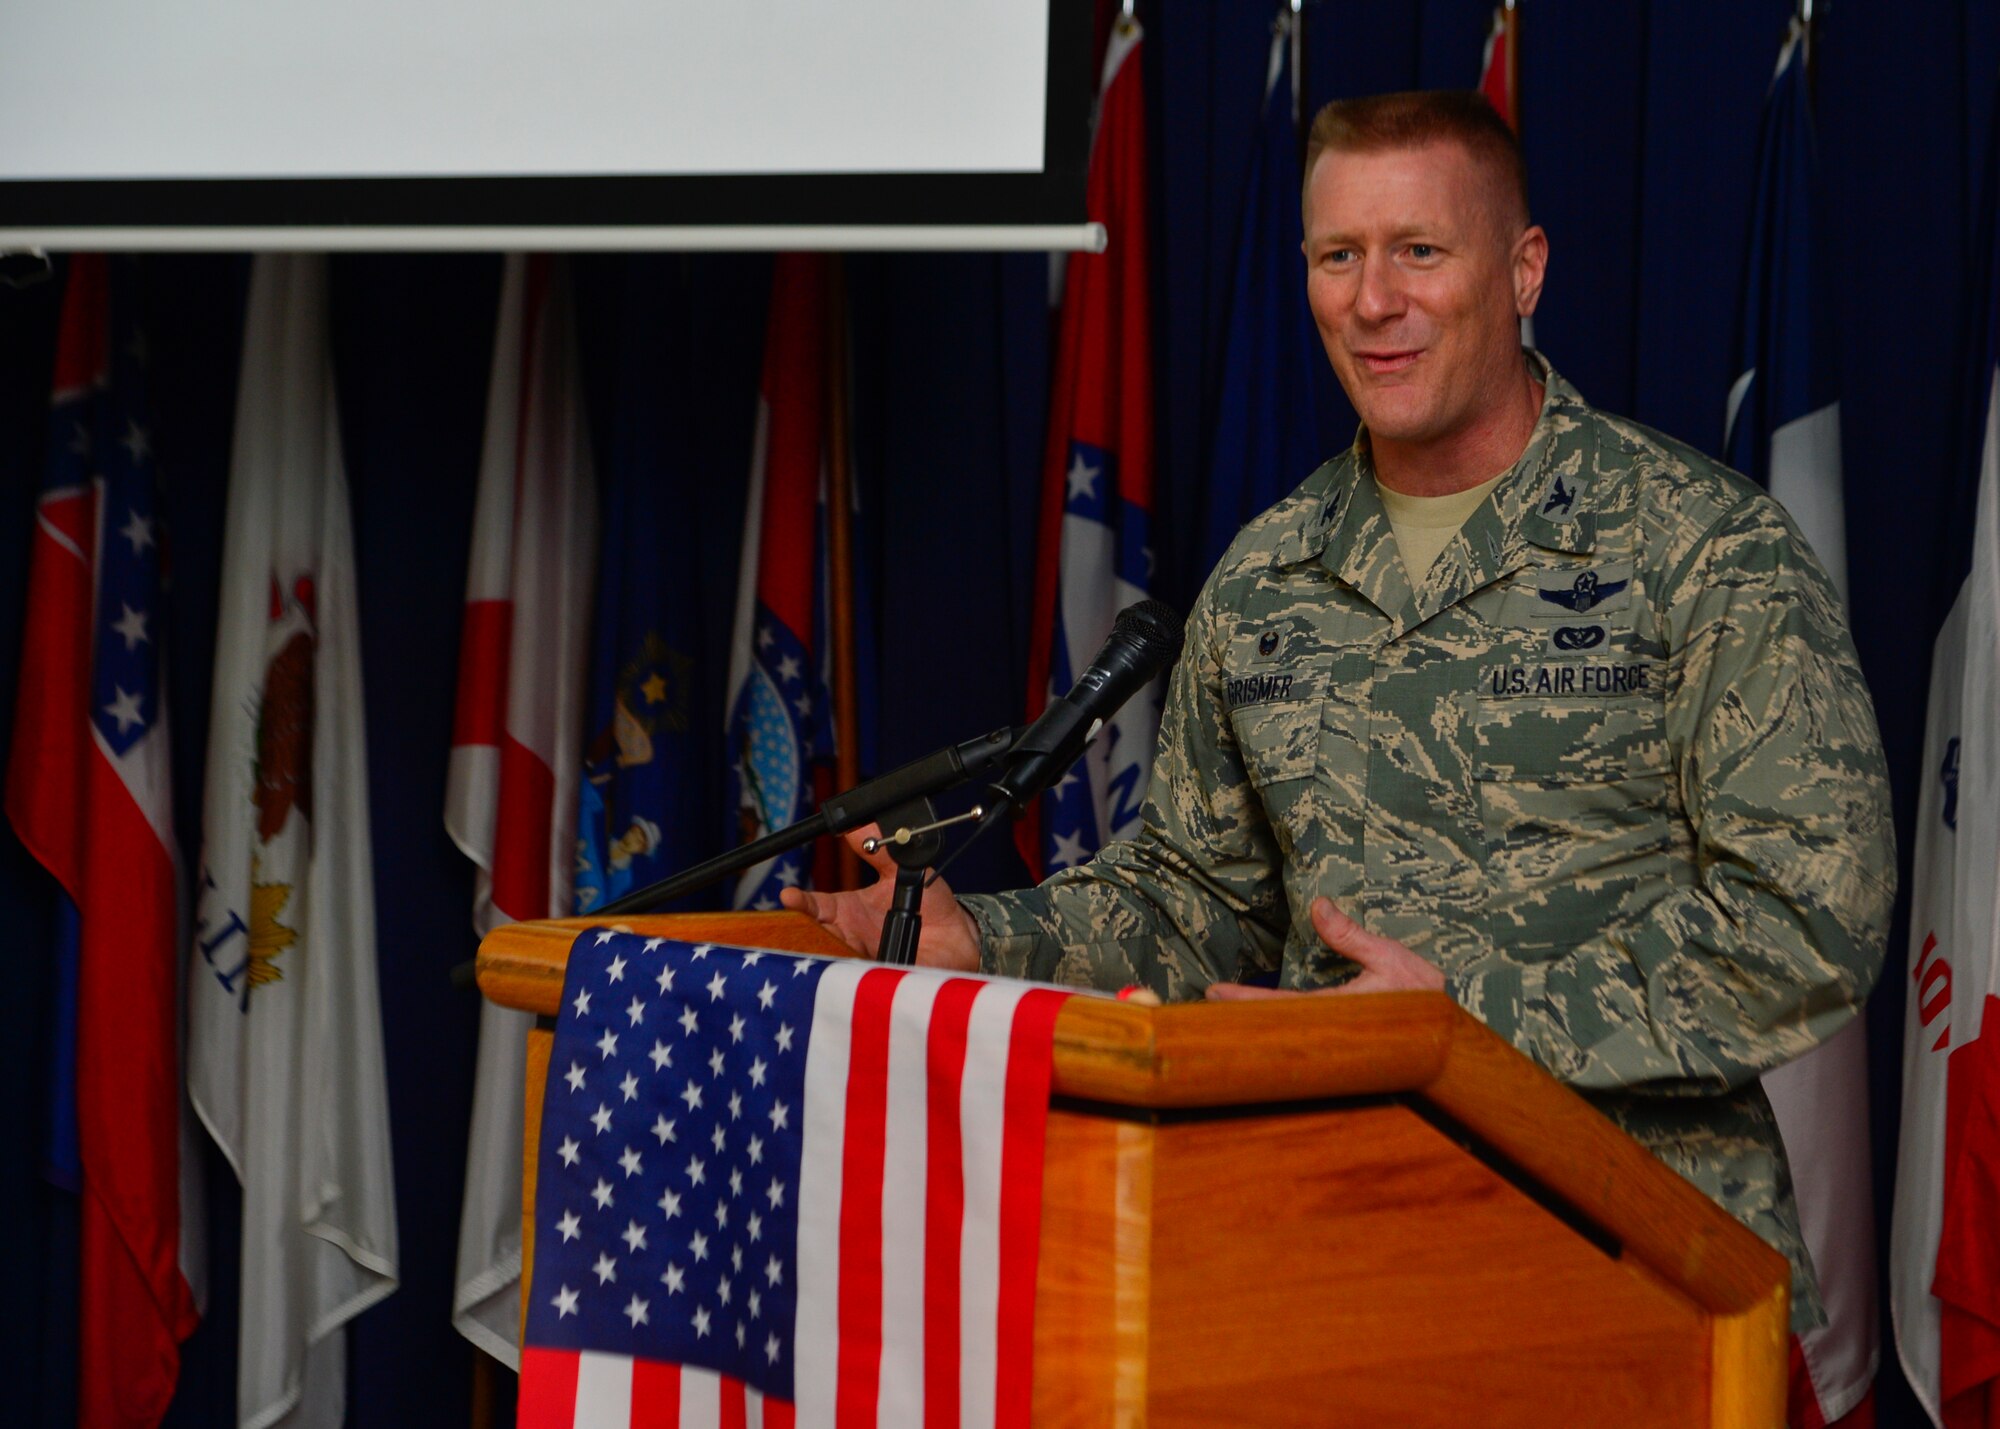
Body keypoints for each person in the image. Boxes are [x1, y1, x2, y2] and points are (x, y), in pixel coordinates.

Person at [783, 90, 1894, 1330]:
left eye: (1419, 250)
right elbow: (1193, 898)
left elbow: (1805, 919)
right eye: (1337, 256)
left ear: (1521, 270)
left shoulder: (1703, 549)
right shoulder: (1266, 576)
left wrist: (1455, 1023)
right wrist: (981, 941)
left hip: (1632, 1276)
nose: (1373, 300)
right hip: (1333, 1267)